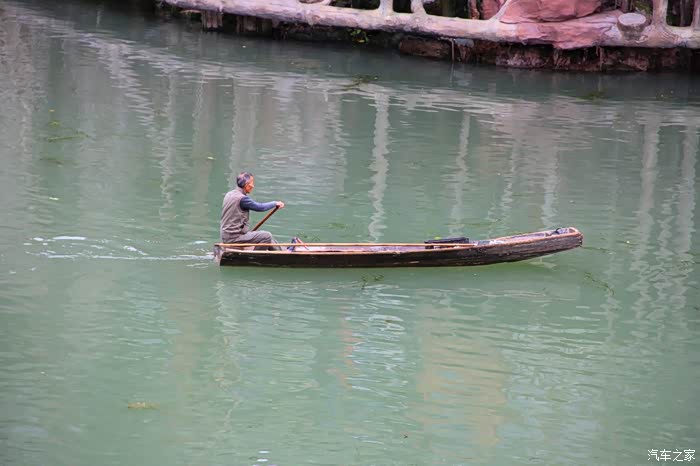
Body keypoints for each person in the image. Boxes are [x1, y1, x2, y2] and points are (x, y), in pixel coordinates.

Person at [220, 172, 285, 250]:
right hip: (234, 238)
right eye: (252, 183)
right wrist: (275, 203)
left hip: (226, 236)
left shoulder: (229, 194)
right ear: (246, 185)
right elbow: (260, 207)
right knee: (267, 236)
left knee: (269, 239)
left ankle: (282, 251)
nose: (253, 186)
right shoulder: (242, 199)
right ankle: (255, 256)